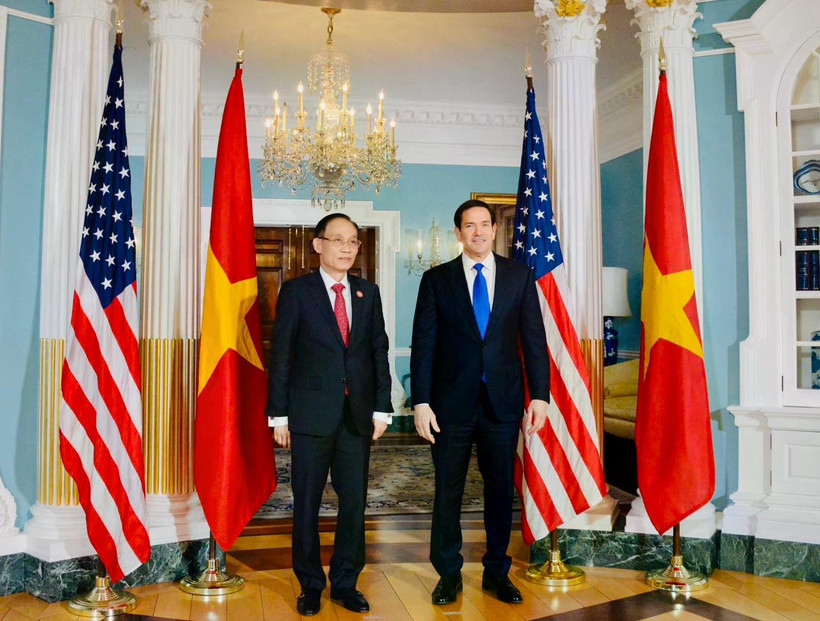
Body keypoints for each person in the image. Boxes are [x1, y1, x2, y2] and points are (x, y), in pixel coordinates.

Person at [411, 199, 550, 606]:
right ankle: (448, 574)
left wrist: (539, 395)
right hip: (449, 406)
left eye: (485, 224)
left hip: (502, 405)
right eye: (469, 226)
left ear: (495, 230)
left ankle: (496, 572)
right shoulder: (436, 280)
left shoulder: (519, 277)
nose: (478, 232)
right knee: (447, 491)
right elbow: (424, 345)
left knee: (498, 491)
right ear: (458, 233)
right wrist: (421, 401)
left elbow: (534, 341)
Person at [268, 213, 393, 616]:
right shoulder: (297, 292)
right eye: (337, 240)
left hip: (356, 417)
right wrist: (279, 416)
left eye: (353, 241)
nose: (345, 248)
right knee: (305, 503)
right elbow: (282, 356)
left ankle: (345, 583)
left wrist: (382, 408)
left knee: (354, 504)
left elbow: (378, 353)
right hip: (308, 417)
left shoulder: (367, 293)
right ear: (318, 245)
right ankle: (309, 585)